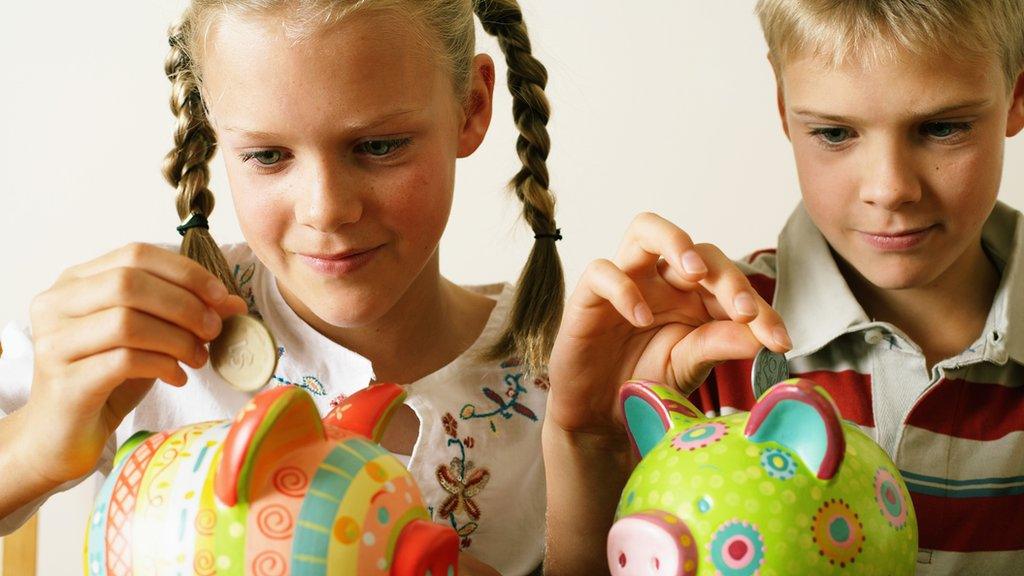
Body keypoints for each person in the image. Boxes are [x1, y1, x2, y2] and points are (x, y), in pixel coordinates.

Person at [0, 1, 562, 574]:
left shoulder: (569, 378)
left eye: (380, 145)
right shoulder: (139, 329)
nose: (327, 211)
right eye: (267, 156)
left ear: (471, 107)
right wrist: (31, 448)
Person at [543, 1, 1024, 574]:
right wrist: (588, 443)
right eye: (835, 132)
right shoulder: (696, 348)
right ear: (782, 106)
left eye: (943, 127)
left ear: (1016, 97)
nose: (890, 189)